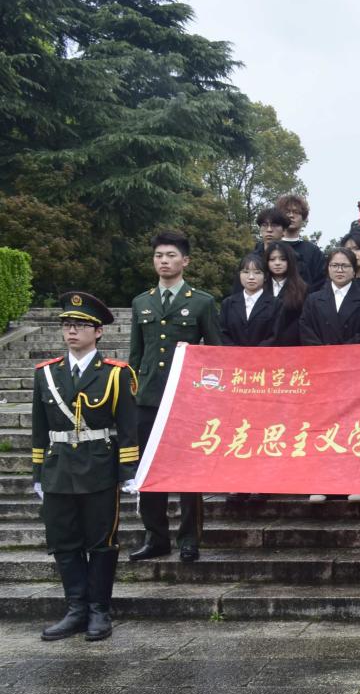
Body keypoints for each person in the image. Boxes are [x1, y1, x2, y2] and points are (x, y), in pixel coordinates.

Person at [32, 292, 139, 642]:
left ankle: (99, 611)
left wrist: (127, 472)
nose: (72, 331)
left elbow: (127, 427)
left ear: (98, 332)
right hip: (59, 468)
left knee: (101, 542)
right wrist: (38, 474)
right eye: (67, 325)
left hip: (98, 468)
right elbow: (38, 429)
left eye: (80, 325)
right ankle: (75, 609)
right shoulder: (46, 374)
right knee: (64, 542)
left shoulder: (115, 374)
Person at [128, 231, 222, 564]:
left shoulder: (202, 302)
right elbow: (135, 355)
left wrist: (206, 391)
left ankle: (188, 539)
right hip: (149, 397)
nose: (164, 261)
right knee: (149, 467)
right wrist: (132, 393)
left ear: (185, 261)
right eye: (158, 255)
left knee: (188, 470)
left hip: (187, 398)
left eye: (170, 255)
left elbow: (217, 354)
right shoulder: (142, 301)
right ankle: (155, 536)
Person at [299, 246, 360, 347]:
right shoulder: (313, 300)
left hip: (353, 358)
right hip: (320, 357)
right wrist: (322, 349)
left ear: (354, 270)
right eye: (334, 265)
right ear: (328, 269)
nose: (339, 270)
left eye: (345, 266)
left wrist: (343, 350)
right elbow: (305, 329)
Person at [220, 252, 279, 347]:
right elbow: (222, 333)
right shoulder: (228, 303)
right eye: (246, 272)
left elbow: (275, 335)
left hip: (264, 358)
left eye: (257, 272)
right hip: (233, 358)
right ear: (239, 275)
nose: (251, 277)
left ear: (265, 277)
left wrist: (254, 354)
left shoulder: (276, 304)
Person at [276, 193, 327, 286]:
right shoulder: (270, 248)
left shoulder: (313, 251)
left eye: (296, 212)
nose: (291, 215)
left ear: (303, 217)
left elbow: (321, 283)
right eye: (287, 212)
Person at [264, 242, 308, 346]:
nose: (277, 263)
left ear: (290, 261)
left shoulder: (302, 288)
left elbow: (303, 321)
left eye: (283, 259)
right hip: (261, 347)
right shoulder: (259, 287)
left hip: (291, 347)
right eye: (272, 259)